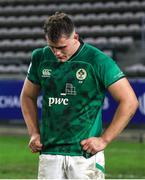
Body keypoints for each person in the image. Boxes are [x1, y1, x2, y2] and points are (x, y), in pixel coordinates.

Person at [20, 12, 139, 179]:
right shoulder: (40, 57)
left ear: (75, 37)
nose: (56, 53)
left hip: (84, 155)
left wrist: (104, 140)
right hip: (49, 152)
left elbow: (130, 101)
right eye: (52, 47)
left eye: (61, 47)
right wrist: (34, 133)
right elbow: (27, 96)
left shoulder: (98, 60)